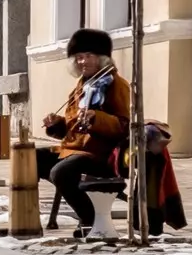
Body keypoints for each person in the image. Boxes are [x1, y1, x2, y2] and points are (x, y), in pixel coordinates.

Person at [36, 28, 132, 236]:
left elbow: (124, 126)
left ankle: (89, 218)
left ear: (102, 58)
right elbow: (73, 128)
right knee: (32, 158)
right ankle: (30, 214)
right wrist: (56, 123)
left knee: (61, 172)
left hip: (102, 154)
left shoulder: (116, 85)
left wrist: (96, 118)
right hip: (75, 150)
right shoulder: (82, 86)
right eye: (79, 57)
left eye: (89, 56)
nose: (83, 62)